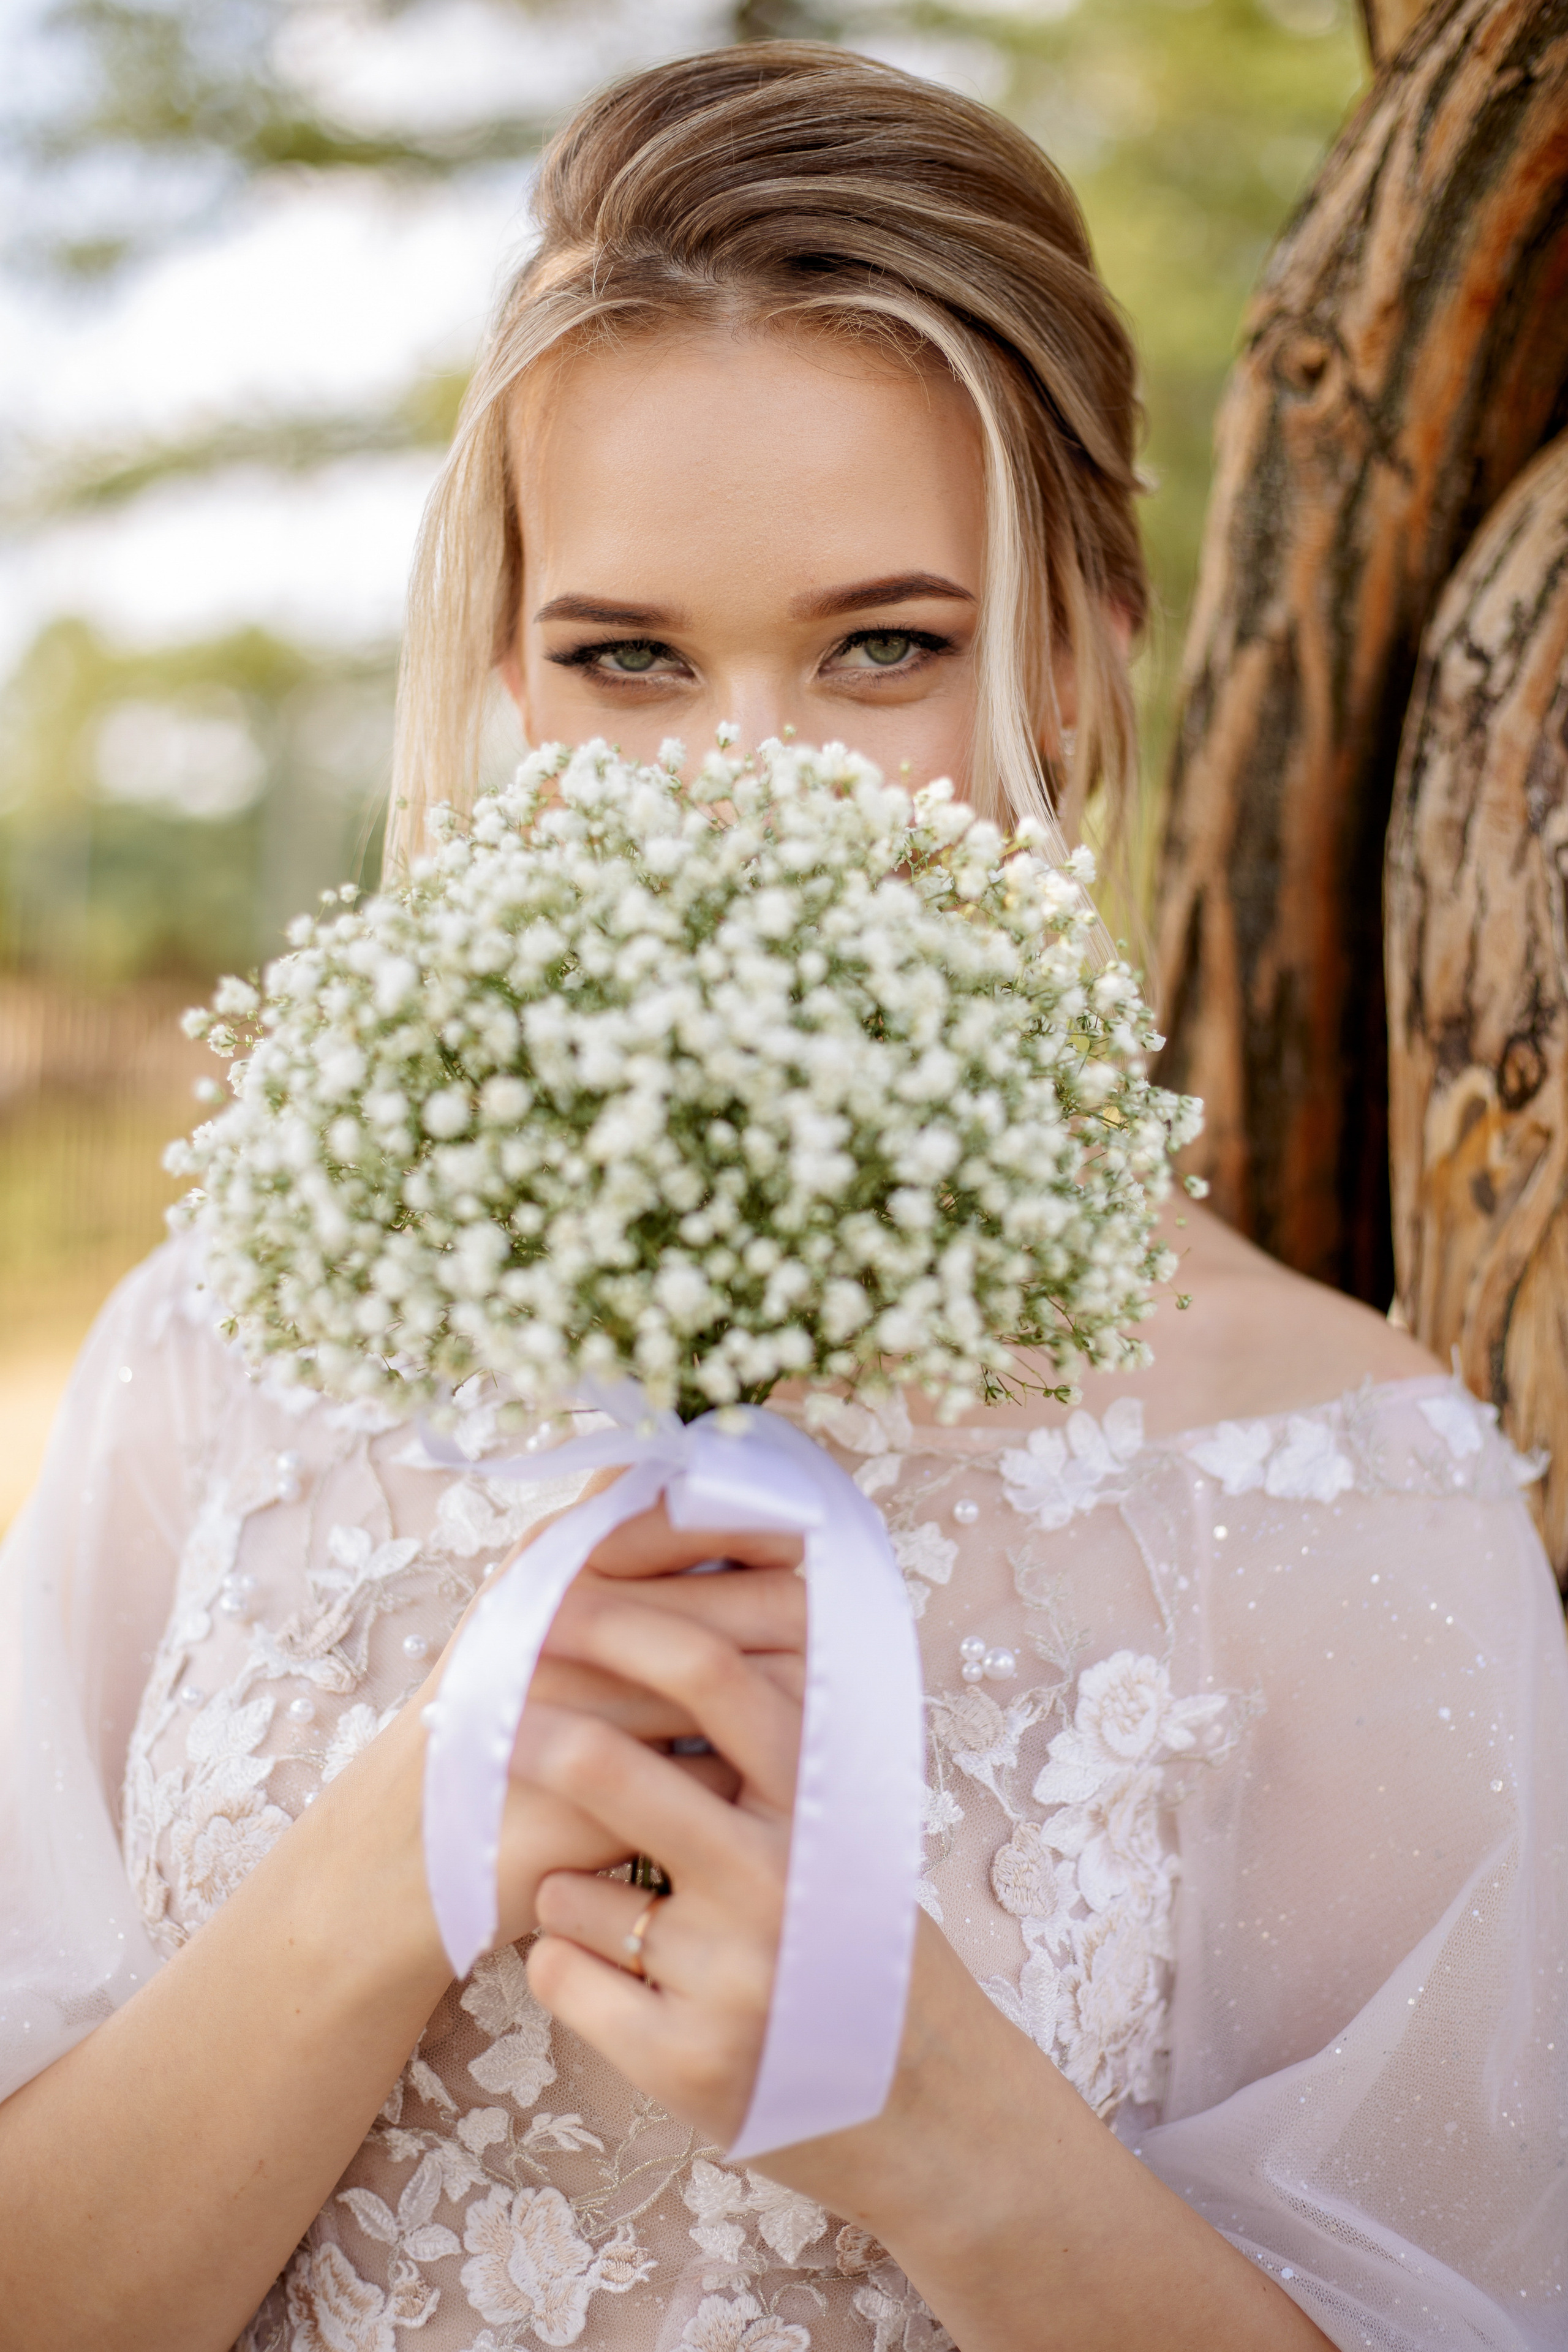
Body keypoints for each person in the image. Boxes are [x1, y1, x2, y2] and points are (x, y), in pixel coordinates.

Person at [1, 43, 1563, 2352]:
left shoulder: (1331, 1479)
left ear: (1086, 645)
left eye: (884, 648)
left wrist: (941, 2130)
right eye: (626, 657)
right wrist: (380, 1873)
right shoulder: (228, 1351)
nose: (743, 789)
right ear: (508, 676)